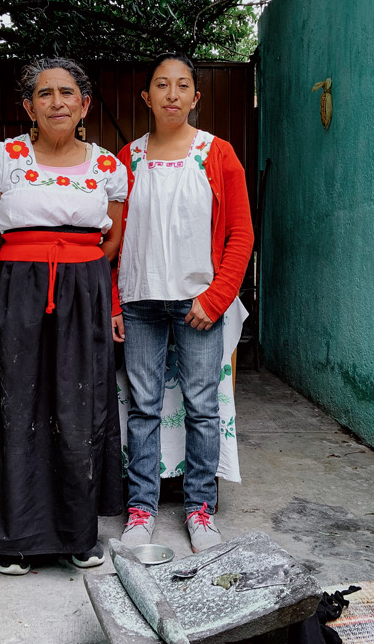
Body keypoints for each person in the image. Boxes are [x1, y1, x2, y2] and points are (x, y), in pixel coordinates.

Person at [0, 58, 126, 575]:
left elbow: (113, 238)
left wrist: (80, 284)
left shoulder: (108, 167)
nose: (56, 101)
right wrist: (17, 282)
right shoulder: (5, 157)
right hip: (23, 294)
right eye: (44, 93)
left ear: (84, 104)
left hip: (85, 294)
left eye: (67, 92)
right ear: (28, 106)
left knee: (81, 410)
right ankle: (15, 537)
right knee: (20, 406)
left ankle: (79, 536)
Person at [114, 52, 254, 552]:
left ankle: (199, 508)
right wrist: (115, 299)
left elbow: (241, 234)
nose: (171, 94)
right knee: (143, 408)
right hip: (140, 303)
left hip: (198, 304)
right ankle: (140, 511)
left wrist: (216, 299)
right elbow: (112, 237)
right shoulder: (126, 160)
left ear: (196, 97)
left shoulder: (218, 154)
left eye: (182, 86)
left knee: (201, 406)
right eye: (161, 85)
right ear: (146, 96)